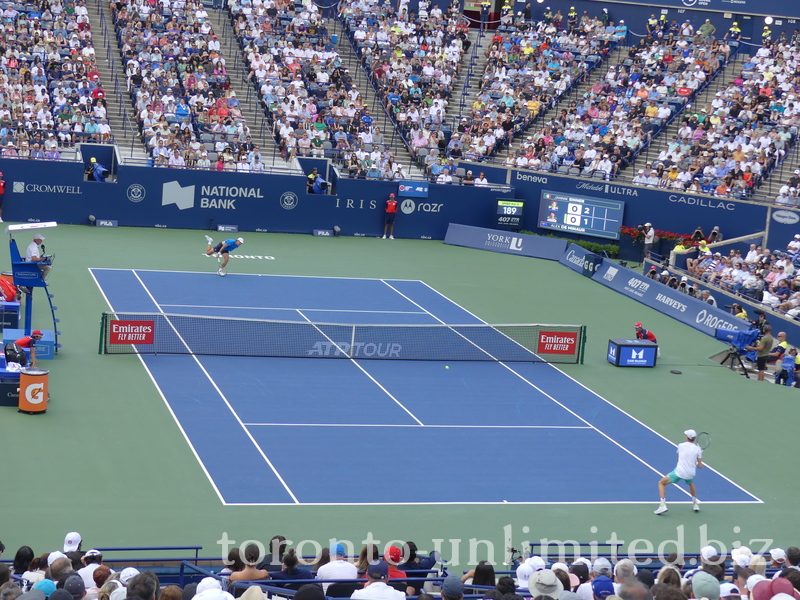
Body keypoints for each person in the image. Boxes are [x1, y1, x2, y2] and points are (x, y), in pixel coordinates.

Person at [654, 429, 703, 515]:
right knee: (690, 482)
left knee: (661, 483)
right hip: (691, 473)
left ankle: (662, 506)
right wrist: (696, 459)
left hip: (680, 472)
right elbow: (700, 466)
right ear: (694, 438)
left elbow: (680, 455)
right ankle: (695, 504)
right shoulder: (698, 449)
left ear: (687, 437)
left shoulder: (681, 445)